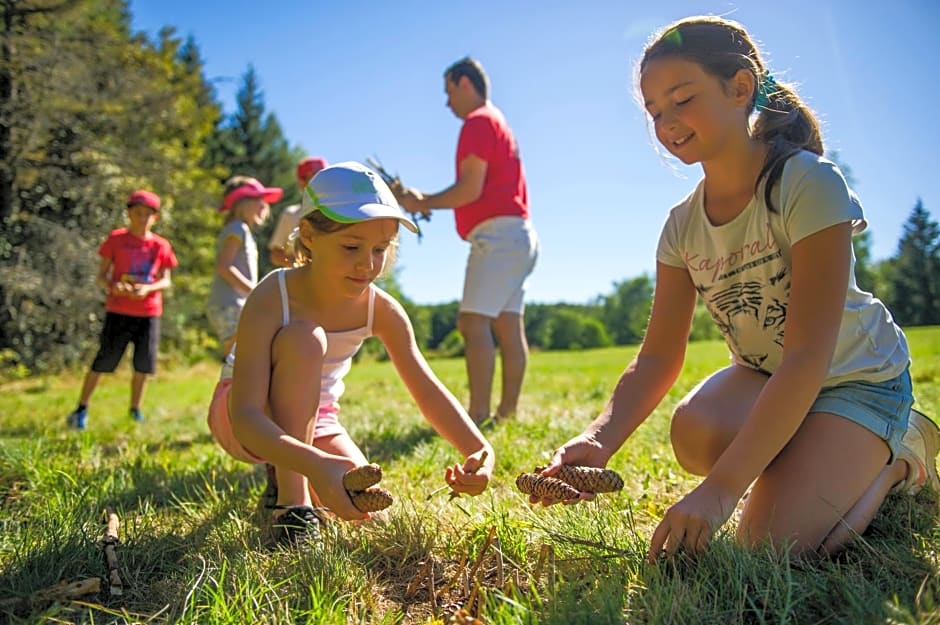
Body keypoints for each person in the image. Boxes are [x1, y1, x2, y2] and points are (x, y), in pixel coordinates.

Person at [537, 16, 939, 561]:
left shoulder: (808, 183)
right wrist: (598, 439)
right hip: (770, 379)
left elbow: (806, 356)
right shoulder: (681, 226)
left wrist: (722, 490)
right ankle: (818, 456)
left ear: (741, 88)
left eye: (682, 99)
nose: (667, 123)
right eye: (655, 112)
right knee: (694, 432)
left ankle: (896, 457)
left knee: (766, 548)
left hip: (853, 382)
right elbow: (656, 358)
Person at [207, 161, 494, 545]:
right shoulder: (271, 296)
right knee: (305, 339)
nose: (367, 264)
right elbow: (245, 417)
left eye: (380, 249)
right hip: (243, 417)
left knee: (368, 513)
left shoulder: (382, 309)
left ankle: (293, 474)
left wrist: (479, 449)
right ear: (308, 236)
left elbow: (427, 391)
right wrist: (315, 465)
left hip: (318, 421)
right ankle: (293, 509)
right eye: (351, 247)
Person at [399, 57, 539, 426]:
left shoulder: (478, 122)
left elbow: (469, 189)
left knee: (472, 323)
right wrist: (426, 202)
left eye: (448, 91)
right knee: (508, 326)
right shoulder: (497, 121)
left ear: (465, 83)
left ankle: (477, 414)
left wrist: (422, 202)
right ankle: (505, 414)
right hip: (518, 235)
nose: (447, 103)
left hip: (497, 238)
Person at [66, 190, 179, 429]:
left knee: (143, 365)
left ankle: (135, 410)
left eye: (148, 215)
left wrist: (148, 290)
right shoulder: (116, 240)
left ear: (155, 218)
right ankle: (81, 409)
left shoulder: (161, 245)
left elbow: (166, 279)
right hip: (119, 310)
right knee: (103, 360)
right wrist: (113, 286)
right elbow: (101, 276)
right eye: (138, 213)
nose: (143, 218)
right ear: (129, 213)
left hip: (148, 312)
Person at [207, 176, 283, 358]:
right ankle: (232, 387)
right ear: (242, 203)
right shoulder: (237, 228)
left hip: (235, 303)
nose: (263, 205)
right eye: (257, 199)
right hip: (230, 304)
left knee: (240, 356)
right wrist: (254, 291)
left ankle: (235, 386)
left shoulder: (241, 229)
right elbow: (224, 266)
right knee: (239, 356)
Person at [269, 156, 329, 267]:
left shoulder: (335, 212)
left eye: (324, 177)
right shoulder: (290, 214)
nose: (321, 182)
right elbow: (275, 253)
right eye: (314, 177)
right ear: (302, 182)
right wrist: (301, 267)